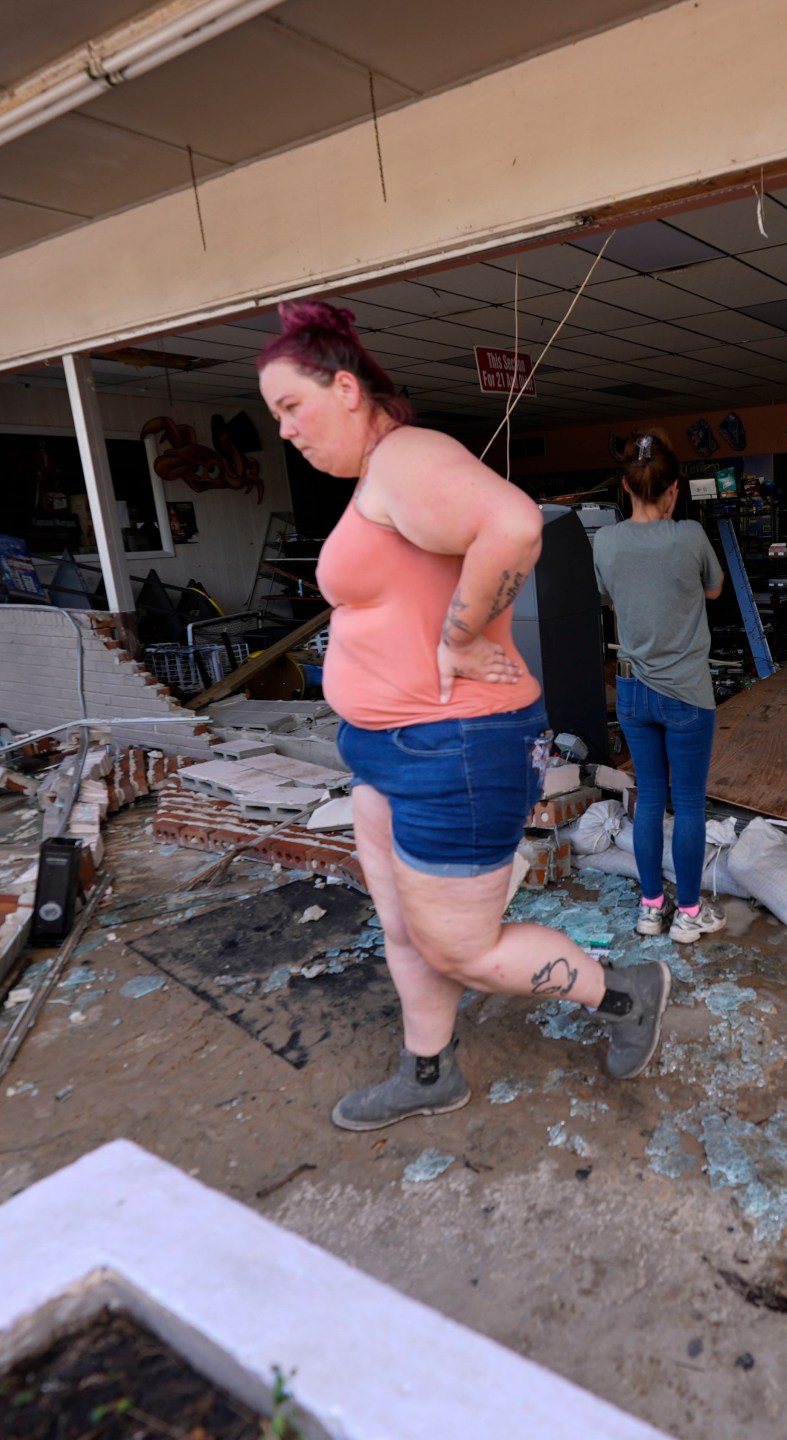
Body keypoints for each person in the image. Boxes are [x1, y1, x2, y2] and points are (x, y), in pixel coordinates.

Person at [259, 301, 671, 1131]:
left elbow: (515, 525)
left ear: (346, 389)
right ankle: (428, 1073)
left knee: (462, 949)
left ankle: (627, 993)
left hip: (456, 749)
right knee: (402, 925)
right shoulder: (379, 479)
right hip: (389, 747)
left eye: (291, 408)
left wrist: (455, 638)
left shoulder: (406, 456)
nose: (285, 433)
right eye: (275, 416)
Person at [590, 434, 726, 943]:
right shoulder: (690, 536)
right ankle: (688, 914)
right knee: (688, 803)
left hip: (632, 691)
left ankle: (651, 909)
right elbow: (713, 588)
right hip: (687, 692)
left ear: (626, 487)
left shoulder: (605, 541)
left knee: (649, 799)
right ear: (673, 490)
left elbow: (607, 595)